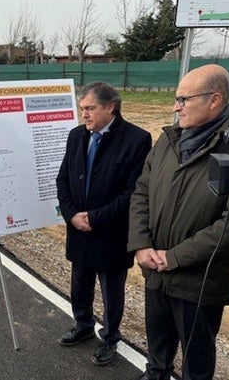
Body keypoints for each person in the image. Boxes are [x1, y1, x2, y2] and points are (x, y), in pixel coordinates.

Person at [128, 64, 229, 380]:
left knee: (196, 358)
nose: (175, 107)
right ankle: (155, 373)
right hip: (155, 268)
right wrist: (142, 245)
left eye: (184, 99)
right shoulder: (170, 139)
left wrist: (173, 258)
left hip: (200, 278)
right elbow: (142, 192)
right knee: (158, 342)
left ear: (214, 100)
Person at [56, 82, 152, 366]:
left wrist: (94, 218)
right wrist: (72, 214)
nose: (83, 114)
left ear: (110, 107)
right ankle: (83, 324)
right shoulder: (76, 136)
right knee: (80, 282)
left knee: (111, 289)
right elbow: (63, 179)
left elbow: (133, 192)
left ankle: (109, 337)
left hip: (110, 233)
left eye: (89, 108)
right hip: (78, 228)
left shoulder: (136, 139)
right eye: (81, 108)